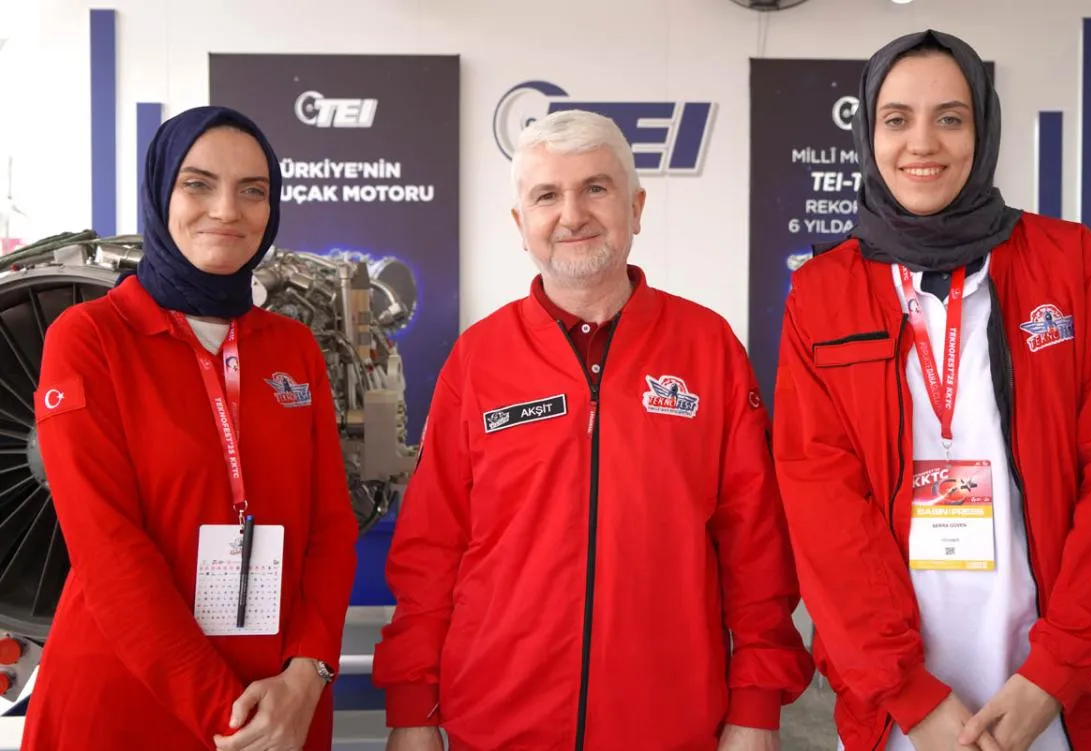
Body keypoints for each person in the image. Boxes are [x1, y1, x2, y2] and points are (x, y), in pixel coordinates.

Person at [773, 30, 1091, 751]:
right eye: (897, 119)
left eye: (950, 117)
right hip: (902, 716)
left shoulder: (1072, 265)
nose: (922, 143)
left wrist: (1056, 672)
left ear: (982, 130)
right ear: (869, 133)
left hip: (1067, 705)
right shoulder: (822, 293)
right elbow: (822, 505)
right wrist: (908, 694)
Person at [372, 109, 814, 751]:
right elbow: (430, 550)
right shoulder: (478, 359)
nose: (572, 214)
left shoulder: (708, 347)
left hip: (670, 727)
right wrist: (414, 709)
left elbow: (755, 548)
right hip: (496, 726)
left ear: (636, 208)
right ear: (520, 224)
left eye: (595, 188)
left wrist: (755, 707)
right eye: (547, 195)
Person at [24, 106, 359, 751]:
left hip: (281, 696)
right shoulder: (90, 338)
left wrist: (309, 674)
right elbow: (108, 551)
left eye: (252, 190)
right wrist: (231, 720)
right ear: (160, 194)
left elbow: (330, 527)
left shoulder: (293, 348)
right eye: (198, 184)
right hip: (132, 698)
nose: (227, 210)